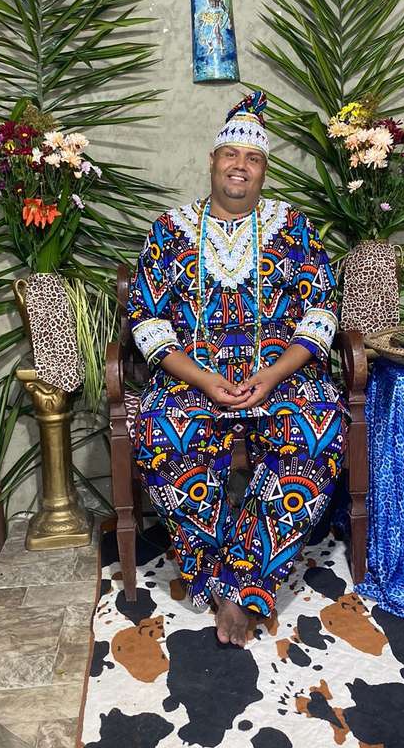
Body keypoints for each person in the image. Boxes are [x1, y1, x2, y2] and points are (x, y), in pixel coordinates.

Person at [128, 92, 346, 647]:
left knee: (317, 428)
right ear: (212, 160)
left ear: (264, 170)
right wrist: (202, 378)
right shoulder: (169, 230)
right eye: (230, 156)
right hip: (191, 378)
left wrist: (273, 375)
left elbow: (322, 315)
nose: (239, 167)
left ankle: (243, 581)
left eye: (251, 160)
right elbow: (147, 322)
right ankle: (221, 581)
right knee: (161, 428)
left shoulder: (295, 229)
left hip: (282, 376)